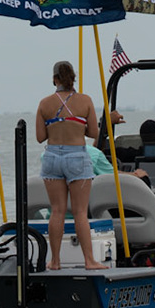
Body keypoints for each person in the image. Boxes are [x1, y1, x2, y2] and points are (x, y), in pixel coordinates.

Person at [35, 61, 104, 271]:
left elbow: (40, 137)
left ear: (54, 79)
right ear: (73, 78)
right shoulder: (85, 101)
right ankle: (89, 261)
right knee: (80, 212)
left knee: (57, 211)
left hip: (53, 156)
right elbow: (94, 132)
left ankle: (54, 261)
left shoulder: (45, 103)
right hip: (76, 156)